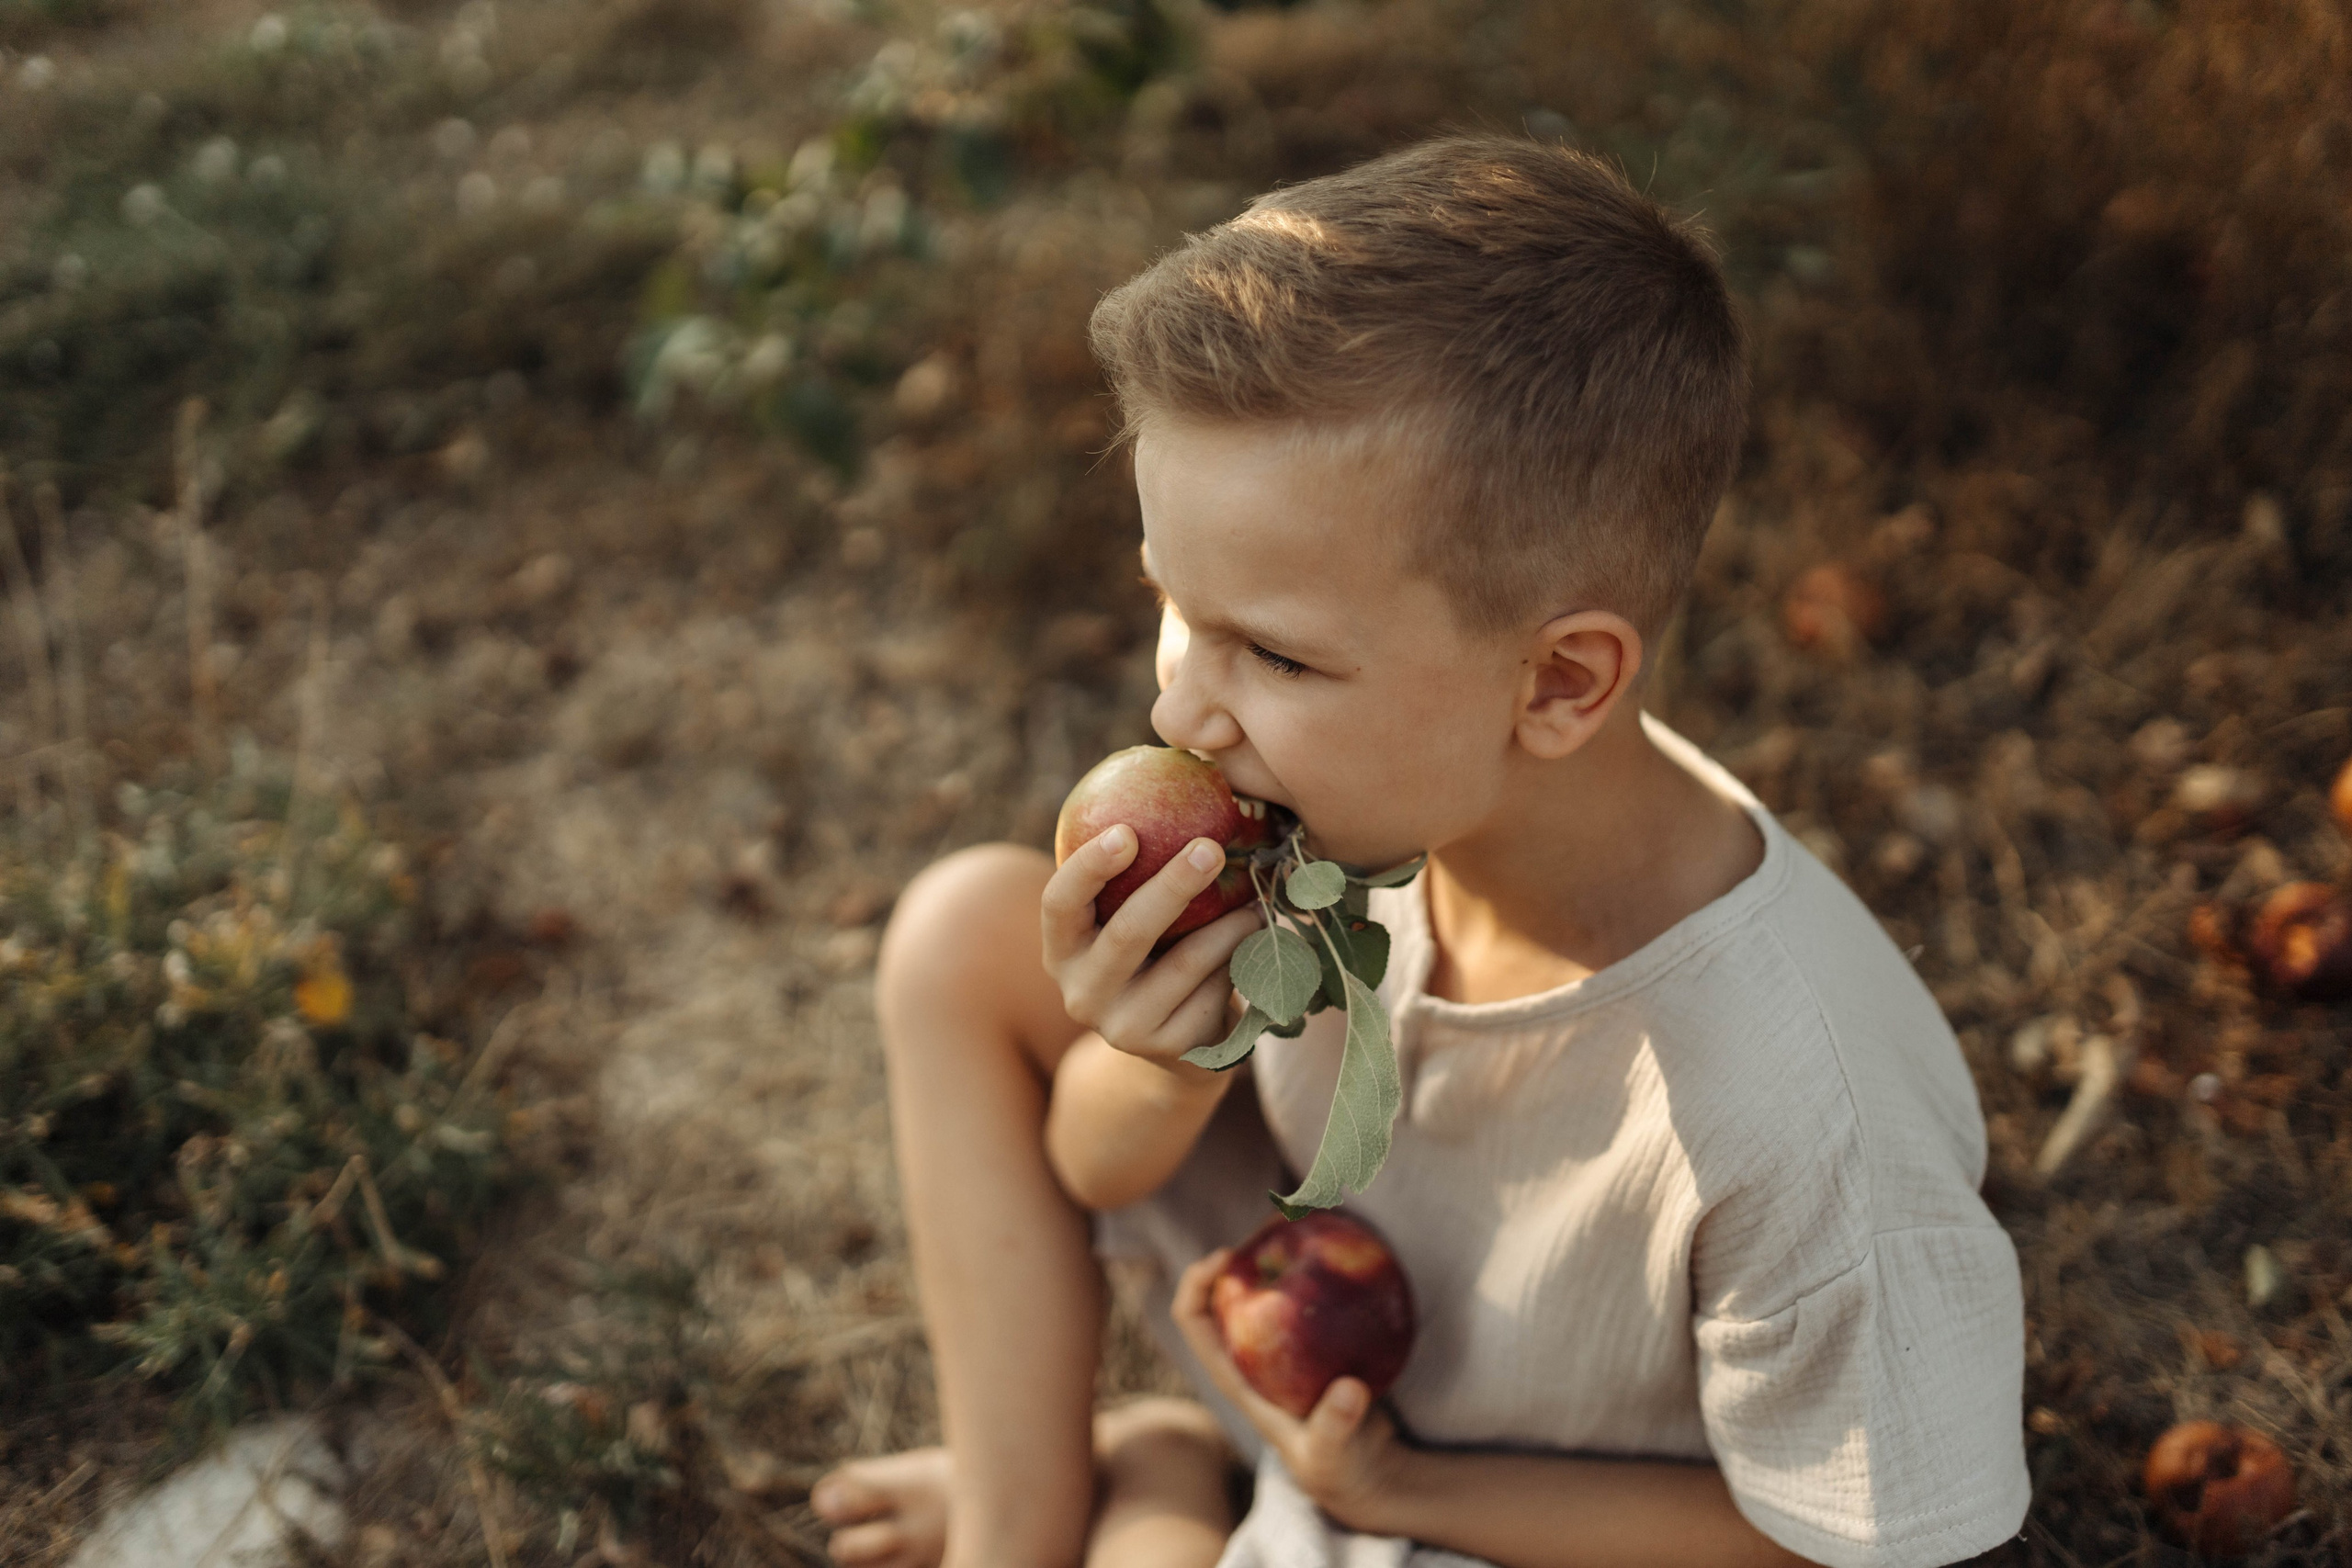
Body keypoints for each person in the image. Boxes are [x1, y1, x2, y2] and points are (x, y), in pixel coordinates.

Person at [810, 136, 2030, 1568]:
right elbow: (1092, 1168)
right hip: (1323, 1358)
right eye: (1173, 607)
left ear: (1560, 685)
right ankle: (1023, 1530)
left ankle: (1157, 1488)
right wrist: (1154, 1055)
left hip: (1504, 1511)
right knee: (966, 930)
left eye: (1272, 652)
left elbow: (1848, 1541)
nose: (1176, 708)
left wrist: (1406, 1497)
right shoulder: (1352, 840)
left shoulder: (1800, 1115)